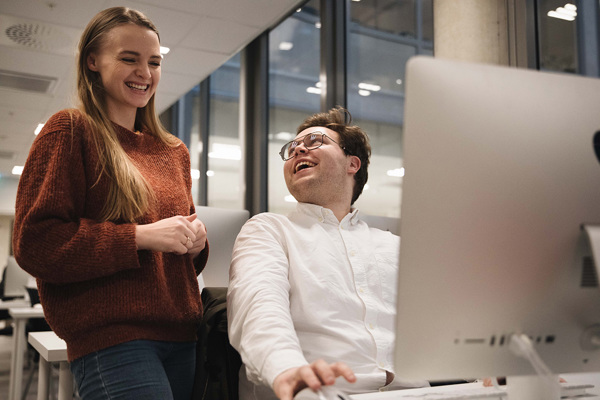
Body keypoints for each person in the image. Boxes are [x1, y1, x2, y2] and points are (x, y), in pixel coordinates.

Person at [12, 7, 208, 400]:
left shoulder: (174, 152)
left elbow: (180, 261)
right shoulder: (70, 130)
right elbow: (35, 244)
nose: (145, 73)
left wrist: (196, 243)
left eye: (154, 62)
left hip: (184, 335)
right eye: (129, 59)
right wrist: (138, 237)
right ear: (93, 62)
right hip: (113, 339)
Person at [227, 107, 429, 400]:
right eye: (292, 147)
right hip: (319, 392)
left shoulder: (393, 246)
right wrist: (286, 369)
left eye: (314, 141)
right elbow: (259, 309)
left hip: (415, 393)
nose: (297, 150)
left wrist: (483, 367)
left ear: (352, 163)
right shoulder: (269, 230)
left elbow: (437, 324)